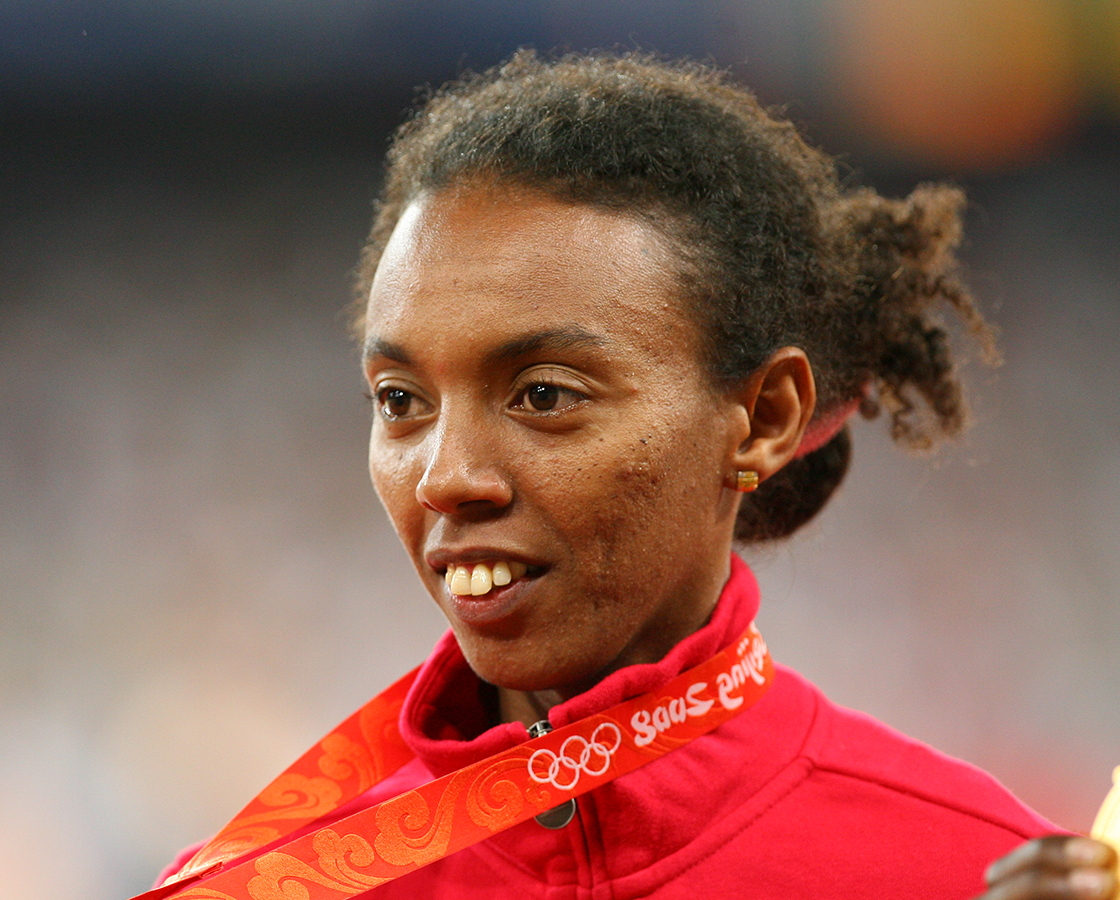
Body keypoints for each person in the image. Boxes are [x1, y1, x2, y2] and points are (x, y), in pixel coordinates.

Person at [153, 51, 1116, 899]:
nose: (446, 478)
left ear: (764, 417)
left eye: (544, 394)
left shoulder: (973, 869)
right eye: (401, 400)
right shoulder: (255, 887)